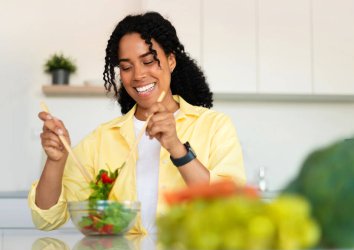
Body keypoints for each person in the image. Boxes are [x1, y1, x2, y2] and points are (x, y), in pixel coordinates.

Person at [28, 12, 246, 234]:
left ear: (170, 61)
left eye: (148, 61)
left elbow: (231, 207)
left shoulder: (214, 126)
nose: (138, 75)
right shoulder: (102, 139)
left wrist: (177, 149)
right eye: (126, 67)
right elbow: (47, 219)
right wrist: (55, 161)